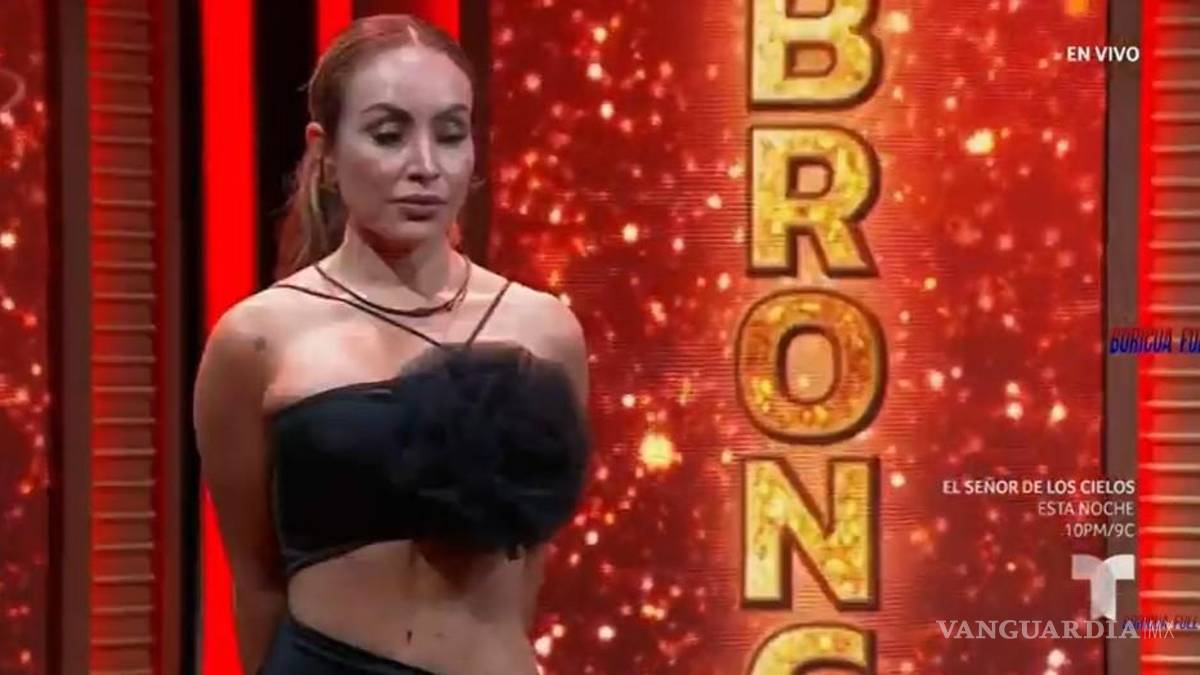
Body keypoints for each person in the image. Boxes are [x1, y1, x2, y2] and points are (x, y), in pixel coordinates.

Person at [193, 15, 591, 675]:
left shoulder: (543, 329)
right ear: (324, 150)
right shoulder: (256, 338)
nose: (425, 166)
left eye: (451, 134)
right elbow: (256, 581)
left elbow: (530, 562)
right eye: (388, 135)